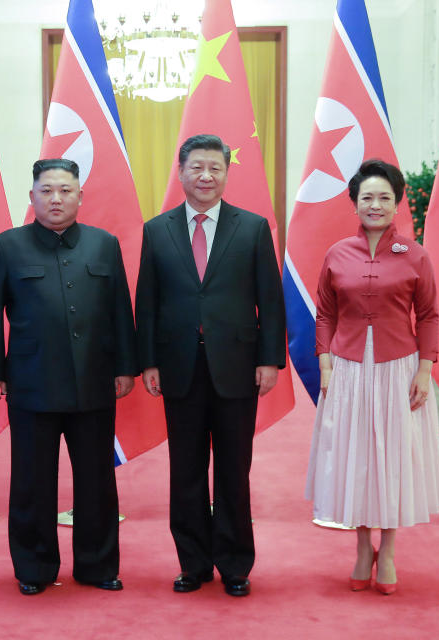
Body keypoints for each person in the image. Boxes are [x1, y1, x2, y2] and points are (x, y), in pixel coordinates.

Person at [0, 158, 137, 596]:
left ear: (80, 197)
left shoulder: (104, 245)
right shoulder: (7, 246)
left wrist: (126, 366)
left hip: (94, 383)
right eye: (46, 191)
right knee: (31, 482)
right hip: (31, 384)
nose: (56, 199)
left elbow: (121, 310)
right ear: (32, 198)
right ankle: (34, 567)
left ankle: (98, 565)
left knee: (97, 481)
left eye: (65, 190)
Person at [134, 134, 286, 597]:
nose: (205, 176)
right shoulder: (157, 230)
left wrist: (270, 360)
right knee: (186, 470)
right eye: (197, 167)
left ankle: (235, 564)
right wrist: (149, 361)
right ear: (180, 173)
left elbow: (270, 300)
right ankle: (194, 563)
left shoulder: (253, 227)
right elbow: (148, 301)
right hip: (179, 366)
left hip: (238, 365)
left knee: (234, 469)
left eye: (214, 168)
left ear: (225, 173)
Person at [305, 159, 439, 595]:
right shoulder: (336, 254)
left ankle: (388, 551)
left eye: (385, 197)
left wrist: (425, 369)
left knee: (392, 457)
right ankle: (361, 547)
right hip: (347, 369)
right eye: (367, 196)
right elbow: (326, 312)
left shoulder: (416, 255)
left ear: (397, 203)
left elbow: (428, 315)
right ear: (354, 203)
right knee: (356, 455)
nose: (375, 204)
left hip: (397, 368)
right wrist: (325, 364)